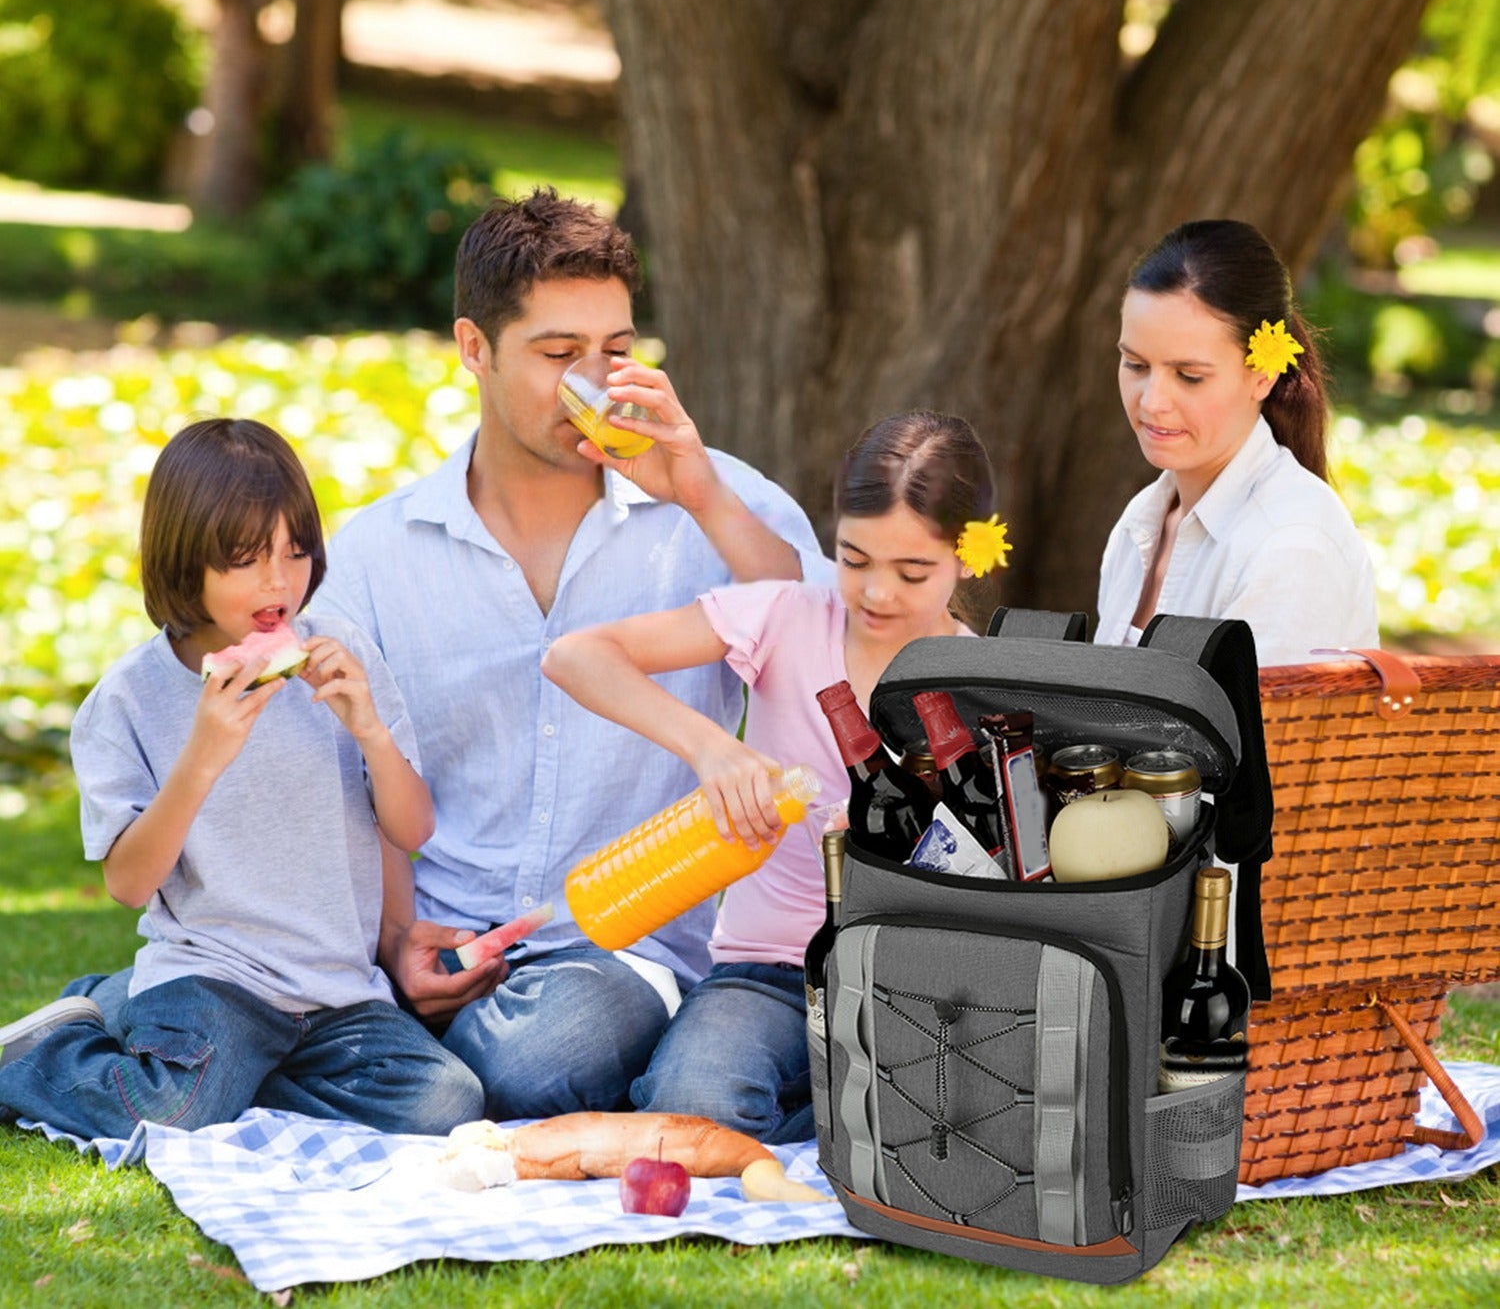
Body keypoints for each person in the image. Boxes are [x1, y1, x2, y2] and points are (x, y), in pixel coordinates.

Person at [312, 188, 829, 1120]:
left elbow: (832, 635)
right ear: (474, 347)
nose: (594, 384)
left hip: (628, 947)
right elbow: (347, 773)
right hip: (448, 930)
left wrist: (700, 495)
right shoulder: (379, 554)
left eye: (616, 351)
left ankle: (402, 1068)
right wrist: (393, 940)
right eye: (558, 355)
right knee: (449, 1042)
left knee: (537, 1062)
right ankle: (405, 1053)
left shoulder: (717, 501)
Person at [0, 420, 483, 1138]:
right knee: (170, 1109)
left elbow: (412, 827)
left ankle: (196, 1060)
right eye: (245, 559)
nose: (279, 581)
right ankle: (44, 1055)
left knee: (445, 1102)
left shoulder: (342, 652)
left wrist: (371, 732)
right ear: (183, 562)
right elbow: (128, 884)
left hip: (338, 992)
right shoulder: (127, 700)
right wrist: (202, 757)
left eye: (296, 551)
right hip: (213, 979)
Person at [541, 411, 1007, 1140]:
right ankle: (828, 1107)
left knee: (960, 1121)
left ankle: (835, 1110)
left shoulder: (986, 688)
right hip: (771, 973)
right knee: (694, 1098)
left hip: (915, 985)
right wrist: (711, 749)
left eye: (912, 572)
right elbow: (574, 657)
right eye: (854, 560)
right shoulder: (786, 617)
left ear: (969, 558)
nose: (876, 593)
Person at [1095, 219, 1378, 667]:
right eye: (1135, 365)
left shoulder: (1292, 545)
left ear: (1263, 374)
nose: (1151, 402)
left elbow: (1265, 716)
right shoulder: (1141, 521)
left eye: (1189, 376)